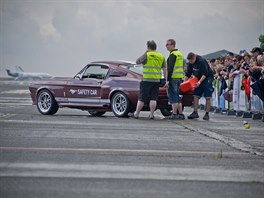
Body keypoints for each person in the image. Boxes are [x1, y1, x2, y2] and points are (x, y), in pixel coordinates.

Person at [130, 40, 167, 119]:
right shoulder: (161, 56)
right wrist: (166, 80)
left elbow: (137, 62)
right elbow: (164, 69)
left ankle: (136, 114)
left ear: (148, 47)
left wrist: (145, 52)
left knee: (142, 98)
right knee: (153, 98)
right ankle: (151, 114)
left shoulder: (147, 55)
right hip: (156, 80)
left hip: (146, 80)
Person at [184, 52, 214, 120]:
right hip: (198, 78)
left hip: (207, 77)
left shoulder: (201, 61)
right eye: (189, 61)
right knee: (195, 94)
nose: (190, 62)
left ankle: (207, 113)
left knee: (207, 96)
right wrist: (183, 83)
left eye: (191, 60)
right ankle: (195, 112)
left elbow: (205, 74)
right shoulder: (190, 63)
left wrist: (199, 82)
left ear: (194, 57)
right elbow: (188, 74)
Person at [164, 39, 185, 119]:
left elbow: (170, 68)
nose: (166, 46)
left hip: (173, 78)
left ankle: (174, 114)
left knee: (173, 96)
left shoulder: (173, 55)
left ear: (172, 45)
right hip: (179, 77)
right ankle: (180, 114)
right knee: (177, 96)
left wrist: (168, 80)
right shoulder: (180, 54)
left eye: (168, 44)